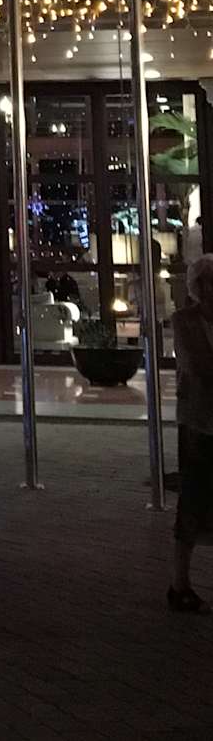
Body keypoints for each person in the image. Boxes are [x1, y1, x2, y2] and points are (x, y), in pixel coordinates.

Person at [169, 253, 213, 612]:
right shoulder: (184, 321)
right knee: (194, 501)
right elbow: (196, 366)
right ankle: (179, 584)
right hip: (200, 423)